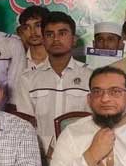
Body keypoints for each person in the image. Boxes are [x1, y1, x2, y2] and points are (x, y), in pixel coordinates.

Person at [14, 11, 92, 155]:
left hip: (81, 154)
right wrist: (47, 149)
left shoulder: (91, 77)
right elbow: (25, 125)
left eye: (62, 33)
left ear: (74, 39)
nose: (56, 39)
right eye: (50, 34)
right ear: (43, 40)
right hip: (41, 155)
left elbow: (94, 121)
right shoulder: (28, 79)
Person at [17, 5, 50, 72]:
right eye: (26, 27)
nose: (33, 32)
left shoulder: (61, 58)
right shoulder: (17, 60)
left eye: (38, 25)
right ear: (22, 31)